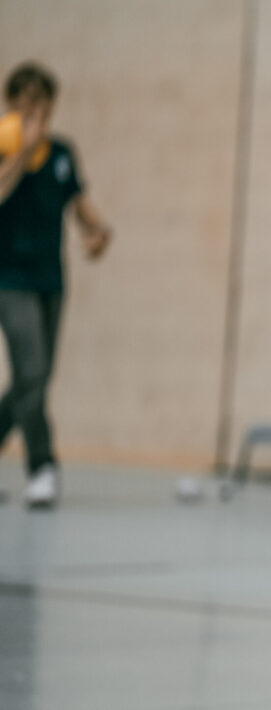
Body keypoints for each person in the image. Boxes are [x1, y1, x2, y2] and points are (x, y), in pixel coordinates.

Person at [0, 62, 111, 507]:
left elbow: (77, 201)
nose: (35, 110)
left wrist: (97, 231)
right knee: (32, 372)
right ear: (11, 104)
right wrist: (22, 152)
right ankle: (42, 466)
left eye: (42, 102)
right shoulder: (4, 148)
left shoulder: (62, 152)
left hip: (50, 278)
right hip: (9, 280)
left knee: (38, 376)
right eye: (25, 101)